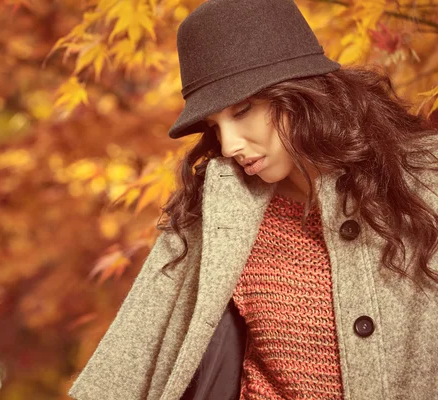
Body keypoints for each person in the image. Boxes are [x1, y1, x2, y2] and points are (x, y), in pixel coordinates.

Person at [68, 0, 438, 399]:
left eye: (242, 111)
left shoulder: (421, 181)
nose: (228, 146)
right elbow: (131, 364)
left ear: (302, 94)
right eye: (215, 126)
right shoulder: (216, 212)